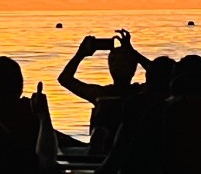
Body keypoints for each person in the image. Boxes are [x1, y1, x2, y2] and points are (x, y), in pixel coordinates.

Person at [56, 30, 142, 161]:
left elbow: (166, 76)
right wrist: (80, 54)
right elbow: (64, 79)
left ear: (133, 66)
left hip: (124, 153)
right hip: (100, 152)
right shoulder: (101, 93)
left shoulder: (141, 92)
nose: (116, 65)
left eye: (122, 60)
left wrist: (135, 54)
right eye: (112, 60)